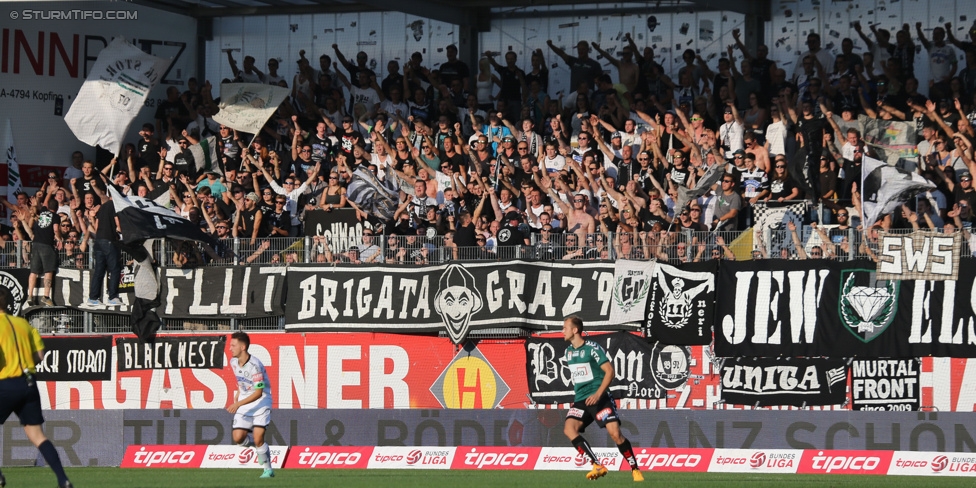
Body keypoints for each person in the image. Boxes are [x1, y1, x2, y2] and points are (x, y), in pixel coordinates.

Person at [0, 288, 73, 487]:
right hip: (29, 383)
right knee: (37, 435)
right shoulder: (23, 324)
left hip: (6, 383)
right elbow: (40, 356)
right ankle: (63, 479)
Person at [560, 315, 643, 482]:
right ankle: (596, 464)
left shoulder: (592, 348)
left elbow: (610, 371)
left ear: (575, 330)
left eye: (565, 328)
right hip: (581, 400)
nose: (563, 331)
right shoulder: (568, 352)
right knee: (569, 429)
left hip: (599, 397)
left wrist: (598, 394)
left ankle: (635, 469)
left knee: (615, 435)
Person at [227, 331, 275, 479]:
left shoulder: (255, 365)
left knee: (259, 437)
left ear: (243, 347)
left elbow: (259, 392)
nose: (230, 348)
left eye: (233, 345)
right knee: (237, 438)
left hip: (261, 401)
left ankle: (268, 470)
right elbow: (241, 380)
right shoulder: (233, 362)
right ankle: (258, 449)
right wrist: (238, 392)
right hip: (244, 399)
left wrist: (238, 403)